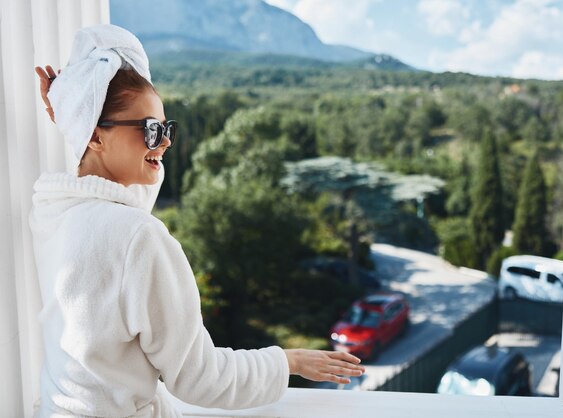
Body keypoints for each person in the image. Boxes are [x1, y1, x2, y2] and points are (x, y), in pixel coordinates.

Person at [30, 24, 363, 417]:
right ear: (97, 137)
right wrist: (287, 361)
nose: (166, 142)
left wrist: (77, 121)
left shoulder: (54, 210)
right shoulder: (138, 238)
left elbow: (119, 197)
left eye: (166, 128)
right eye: (151, 130)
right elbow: (200, 378)